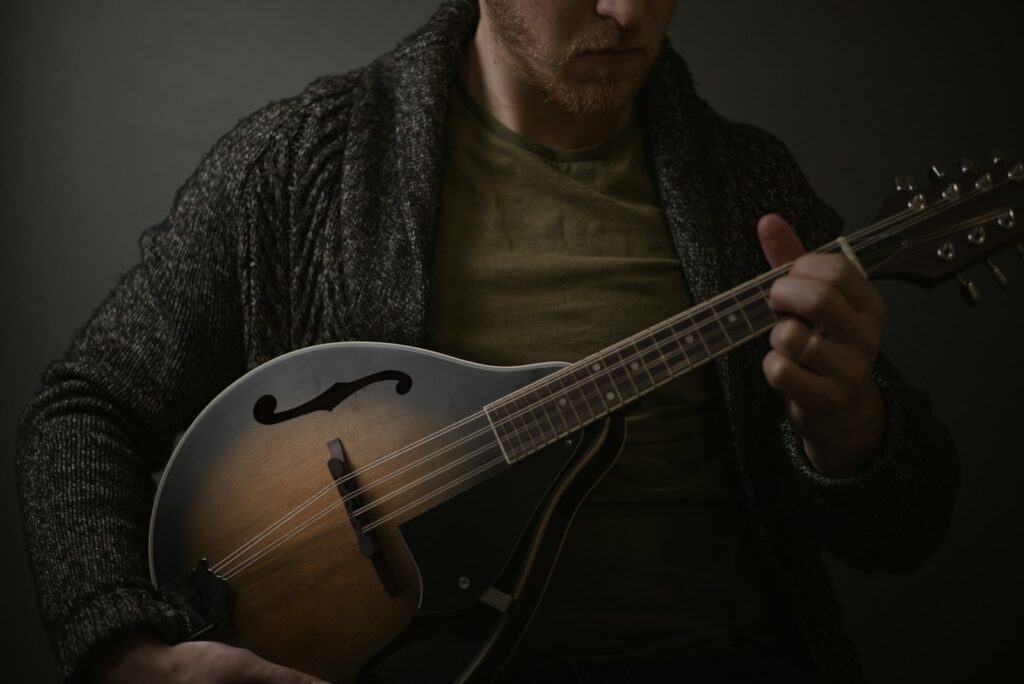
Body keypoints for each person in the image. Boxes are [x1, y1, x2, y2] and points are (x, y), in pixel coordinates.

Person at [15, 1, 957, 682]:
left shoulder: (750, 184)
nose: (627, 12)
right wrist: (128, 653)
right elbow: (86, 409)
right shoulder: (300, 167)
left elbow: (904, 533)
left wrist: (850, 426)